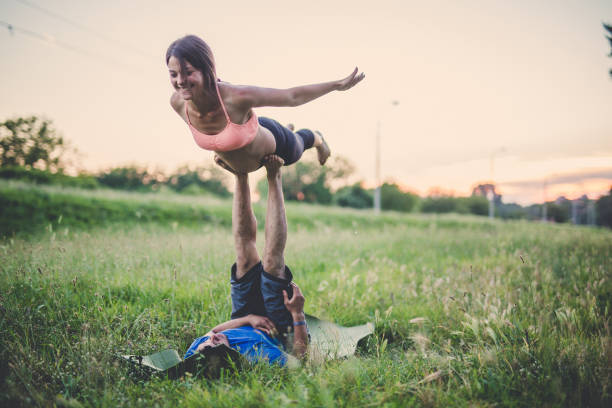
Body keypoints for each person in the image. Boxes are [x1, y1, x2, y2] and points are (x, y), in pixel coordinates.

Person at [166, 35, 365, 175]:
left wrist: (336, 85)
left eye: (188, 72)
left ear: (207, 70)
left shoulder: (235, 97)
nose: (180, 81)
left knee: (298, 145)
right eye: (173, 74)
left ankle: (318, 139)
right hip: (248, 142)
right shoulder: (178, 104)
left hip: (275, 144)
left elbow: (291, 97)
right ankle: (281, 129)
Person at [184, 155, 308, 365]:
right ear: (232, 356)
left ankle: (240, 174)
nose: (211, 339)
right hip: (277, 327)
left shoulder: (196, 353)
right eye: (216, 344)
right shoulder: (260, 356)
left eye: (206, 344)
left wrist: (248, 319)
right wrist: (297, 314)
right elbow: (300, 360)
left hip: (244, 316)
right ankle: (274, 176)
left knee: (244, 257)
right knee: (271, 262)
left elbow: (214, 331)